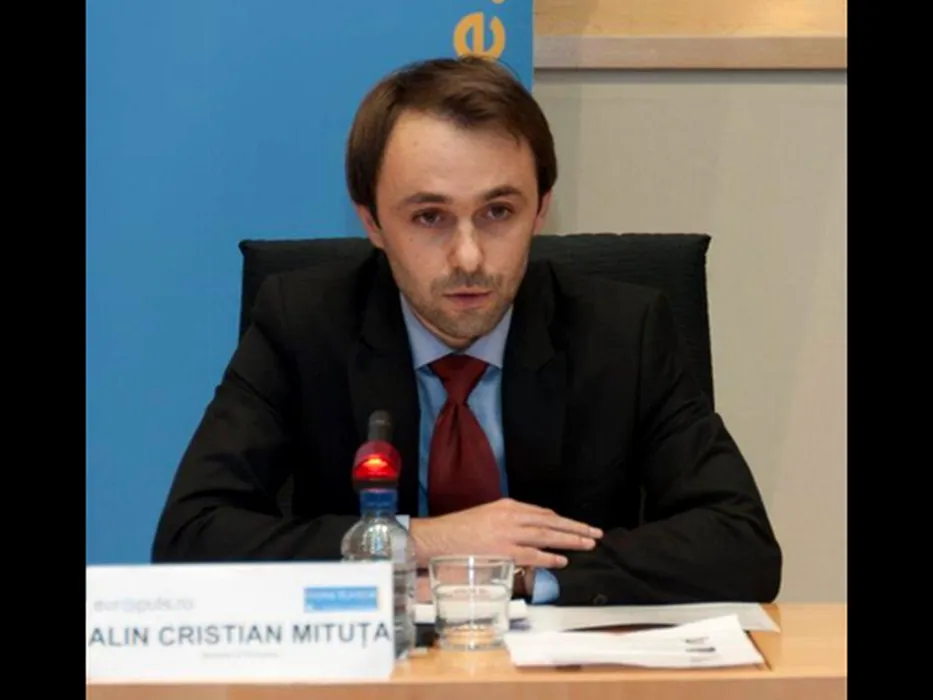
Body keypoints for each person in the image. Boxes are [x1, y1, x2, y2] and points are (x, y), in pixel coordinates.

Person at [152, 56, 782, 606]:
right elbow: (191, 537)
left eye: (498, 212)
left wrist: (512, 574)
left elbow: (740, 544)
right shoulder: (303, 326)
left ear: (541, 208)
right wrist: (420, 541)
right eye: (430, 216)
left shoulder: (623, 333)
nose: (469, 256)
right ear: (371, 221)